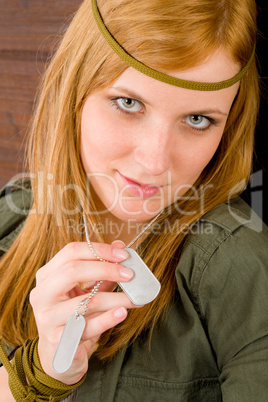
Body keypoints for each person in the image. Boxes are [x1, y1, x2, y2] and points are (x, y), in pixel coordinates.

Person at [0, 0, 267, 400]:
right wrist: (42, 372)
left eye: (198, 119)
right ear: (75, 89)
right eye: (129, 103)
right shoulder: (10, 216)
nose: (154, 161)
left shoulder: (236, 266)